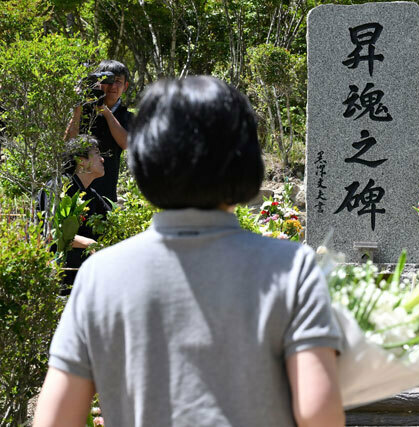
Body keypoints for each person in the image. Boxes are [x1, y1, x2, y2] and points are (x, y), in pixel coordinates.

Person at [33, 76, 345, 427]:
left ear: (144, 161)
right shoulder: (292, 269)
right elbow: (320, 415)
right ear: (246, 162)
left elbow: (54, 419)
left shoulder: (101, 275)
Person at [38, 135, 111, 294]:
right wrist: (89, 243)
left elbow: (113, 220)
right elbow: (52, 232)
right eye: (97, 154)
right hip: (56, 279)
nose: (102, 159)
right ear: (81, 161)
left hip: (82, 280)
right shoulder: (58, 186)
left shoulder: (90, 194)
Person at [64, 60, 134, 203]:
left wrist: (105, 112)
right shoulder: (82, 110)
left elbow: (127, 143)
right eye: (108, 81)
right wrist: (77, 108)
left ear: (125, 86)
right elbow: (68, 142)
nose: (113, 86)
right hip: (72, 189)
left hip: (105, 192)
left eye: (118, 81)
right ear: (98, 82)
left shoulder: (127, 116)